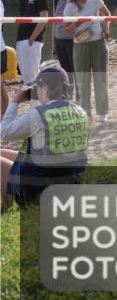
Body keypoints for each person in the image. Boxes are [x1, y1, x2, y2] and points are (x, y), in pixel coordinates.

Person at [1, 62, 89, 210]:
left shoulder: (39, 114)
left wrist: (16, 101)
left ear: (46, 89)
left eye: (38, 88)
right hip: (73, 181)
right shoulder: (80, 111)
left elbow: (4, 132)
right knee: (3, 153)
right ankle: (7, 204)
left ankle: (9, 204)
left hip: (42, 188)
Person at [61, 0, 111, 122]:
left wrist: (106, 27)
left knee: (101, 78)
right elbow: (65, 29)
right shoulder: (70, 7)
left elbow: (107, 14)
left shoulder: (96, 0)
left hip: (98, 43)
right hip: (80, 45)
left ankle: (102, 112)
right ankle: (86, 113)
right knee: (83, 80)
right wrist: (75, 24)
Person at [12, 0, 48, 86]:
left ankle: (37, 98)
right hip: (21, 37)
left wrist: (32, 38)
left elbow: (44, 17)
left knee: (32, 76)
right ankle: (32, 97)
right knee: (26, 75)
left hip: (32, 40)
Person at [50, 0, 76, 97]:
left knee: (75, 69)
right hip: (59, 39)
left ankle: (79, 94)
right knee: (65, 70)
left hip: (72, 39)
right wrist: (53, 42)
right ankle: (68, 94)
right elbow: (54, 22)